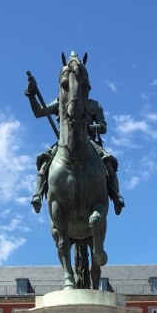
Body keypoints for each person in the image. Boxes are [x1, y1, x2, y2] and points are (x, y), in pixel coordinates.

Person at [25, 55, 125, 215]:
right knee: (45, 161)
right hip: (64, 142)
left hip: (89, 142)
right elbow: (39, 112)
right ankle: (37, 195)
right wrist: (31, 94)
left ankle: (116, 196)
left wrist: (90, 128)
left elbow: (103, 127)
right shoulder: (60, 102)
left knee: (108, 163)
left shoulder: (94, 105)